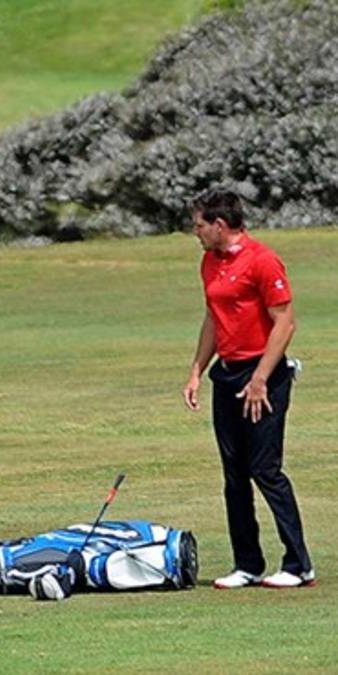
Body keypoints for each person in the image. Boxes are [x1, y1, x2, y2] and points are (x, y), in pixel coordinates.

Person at [182, 188, 314, 590]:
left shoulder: (262, 260)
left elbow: (285, 323)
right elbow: (214, 317)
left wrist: (260, 379)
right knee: (234, 473)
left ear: (220, 225)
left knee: (265, 469)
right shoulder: (210, 261)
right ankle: (248, 563)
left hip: (264, 376)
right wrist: (197, 370)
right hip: (227, 375)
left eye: (199, 225)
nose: (195, 232)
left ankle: (299, 565)